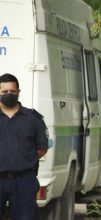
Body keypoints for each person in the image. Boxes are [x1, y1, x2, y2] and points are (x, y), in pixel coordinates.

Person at [0, 73, 48, 220]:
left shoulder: (33, 119)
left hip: (24, 181)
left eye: (12, 92)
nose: (9, 94)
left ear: (18, 92)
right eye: (4, 92)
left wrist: (23, 160)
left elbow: (42, 148)